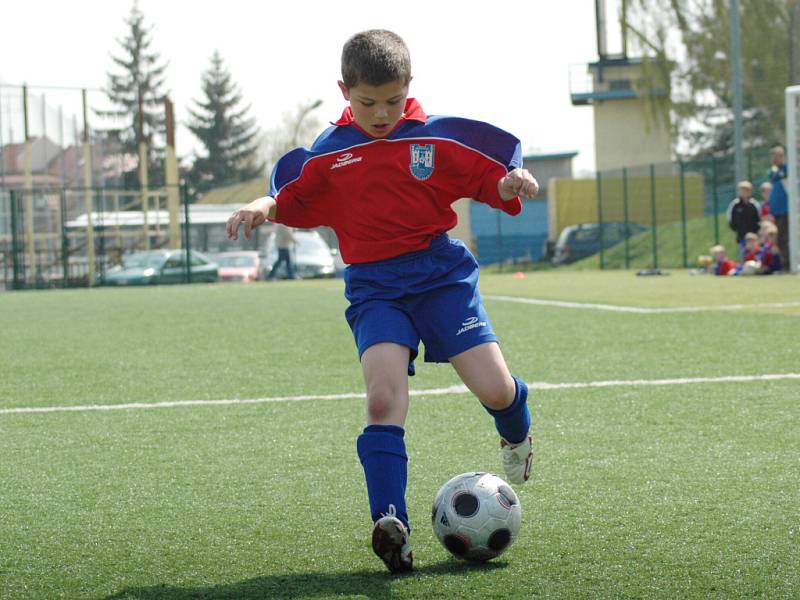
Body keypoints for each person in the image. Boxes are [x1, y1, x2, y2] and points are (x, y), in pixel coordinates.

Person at [225, 30, 539, 574]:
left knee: (495, 388)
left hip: (440, 275)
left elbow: (489, 178)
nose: (380, 113)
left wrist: (510, 186)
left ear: (408, 87)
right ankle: (391, 524)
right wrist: (260, 207)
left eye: (392, 100)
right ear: (344, 90)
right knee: (381, 400)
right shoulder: (331, 152)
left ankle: (516, 434)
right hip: (374, 287)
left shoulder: (433, 139)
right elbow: (288, 196)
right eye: (367, 102)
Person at [767, 145, 789, 268]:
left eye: (776, 155)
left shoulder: (787, 168)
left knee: (784, 237)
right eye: (773, 156)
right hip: (776, 210)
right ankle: (782, 263)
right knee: (778, 239)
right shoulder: (773, 170)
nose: (774, 158)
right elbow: (773, 176)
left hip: (786, 209)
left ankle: (787, 264)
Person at [726, 181, 761, 254]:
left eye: (746, 190)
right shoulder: (735, 205)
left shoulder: (754, 204)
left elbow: (759, 218)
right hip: (741, 236)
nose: (744, 193)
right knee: (743, 255)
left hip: (754, 236)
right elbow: (730, 219)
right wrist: (737, 229)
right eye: (742, 191)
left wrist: (756, 231)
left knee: (755, 254)